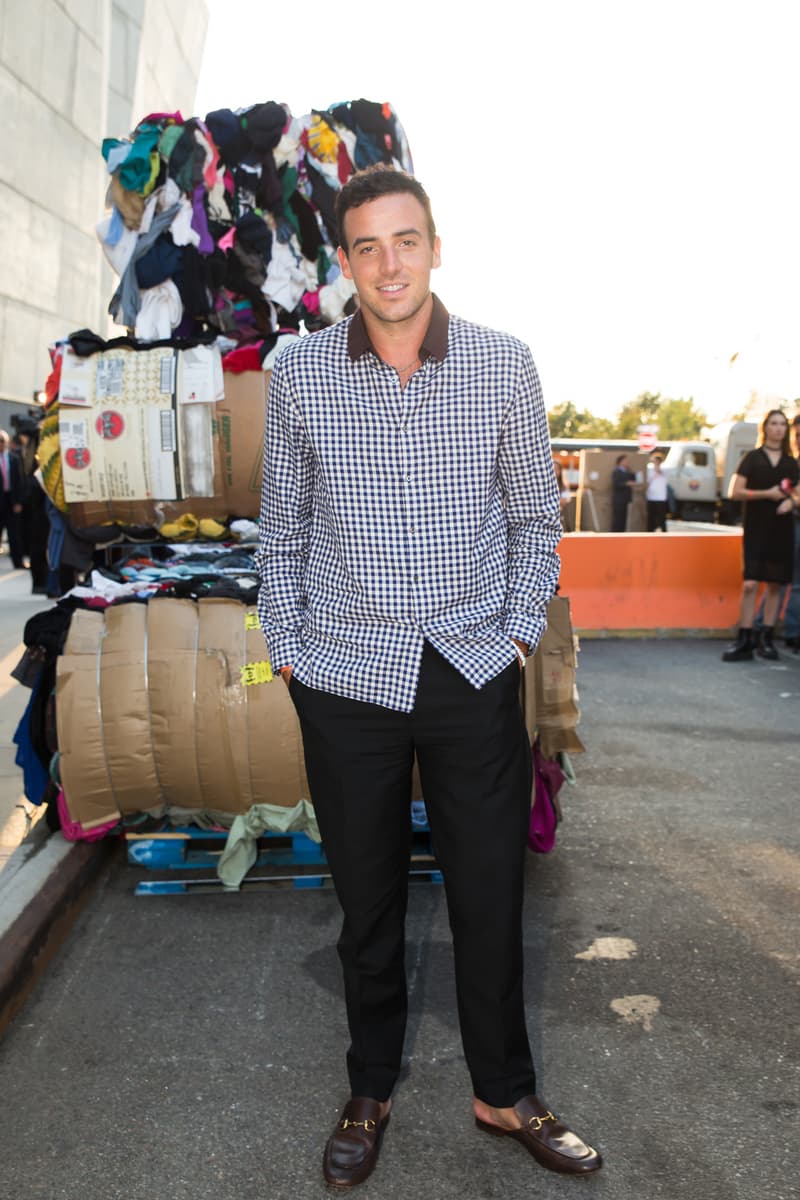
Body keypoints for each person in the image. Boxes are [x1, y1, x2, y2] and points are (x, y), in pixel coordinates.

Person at [255, 165, 601, 1189]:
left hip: (467, 667)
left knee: (489, 892)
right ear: (344, 262)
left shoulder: (502, 366)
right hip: (345, 675)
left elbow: (536, 523)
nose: (388, 263)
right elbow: (282, 529)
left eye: (404, 240)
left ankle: (504, 1090)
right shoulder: (297, 374)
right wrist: (293, 650)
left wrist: (504, 642)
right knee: (364, 900)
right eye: (365, 246)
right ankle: (369, 1086)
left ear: (434, 245)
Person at [722, 409, 800, 661]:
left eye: (782, 425)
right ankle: (744, 637)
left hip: (782, 527)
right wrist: (766, 494)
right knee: (750, 584)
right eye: (773, 424)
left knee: (775, 584)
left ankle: (766, 637)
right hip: (756, 526)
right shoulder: (752, 458)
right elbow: (735, 491)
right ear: (765, 428)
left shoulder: (791, 463)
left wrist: (792, 502)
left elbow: (798, 493)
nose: (778, 429)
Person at [782, 413, 800, 651]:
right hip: (791, 526)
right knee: (790, 581)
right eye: (797, 434)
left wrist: (793, 500)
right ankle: (793, 631)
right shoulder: (790, 463)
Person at [0, 428, 26, 569]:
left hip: (11, 499)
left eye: (2, 441)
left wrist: (18, 501)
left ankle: (18, 561)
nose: (1, 444)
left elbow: (19, 480)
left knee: (14, 534)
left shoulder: (13, 458)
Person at [611, 453, 635, 531]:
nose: (627, 462)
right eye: (625, 460)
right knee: (617, 519)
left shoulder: (627, 471)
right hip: (618, 499)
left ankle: (622, 533)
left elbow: (634, 479)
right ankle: (615, 534)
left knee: (623, 519)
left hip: (625, 499)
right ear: (620, 461)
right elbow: (616, 484)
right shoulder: (616, 471)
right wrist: (626, 483)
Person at [645, 453, 669, 532]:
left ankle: (663, 531)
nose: (655, 462)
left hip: (661, 497)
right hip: (651, 496)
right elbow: (647, 482)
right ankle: (650, 531)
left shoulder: (665, 469)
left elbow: (663, 475)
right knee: (651, 516)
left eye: (657, 461)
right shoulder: (649, 470)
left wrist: (657, 469)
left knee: (661, 516)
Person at [553, 459, 573, 530]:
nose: (555, 472)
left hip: (560, 516)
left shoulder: (563, 486)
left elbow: (565, 500)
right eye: (553, 469)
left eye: (557, 469)